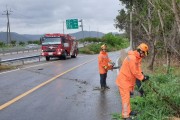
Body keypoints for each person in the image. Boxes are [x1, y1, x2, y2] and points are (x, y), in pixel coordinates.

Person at [116, 43, 150, 120]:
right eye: (144, 53)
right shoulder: (132, 58)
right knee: (125, 99)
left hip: (128, 81)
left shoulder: (137, 58)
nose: (144, 55)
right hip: (124, 81)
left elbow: (138, 67)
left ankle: (128, 111)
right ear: (140, 51)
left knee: (127, 98)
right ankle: (125, 116)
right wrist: (143, 78)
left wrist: (142, 73)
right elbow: (134, 72)